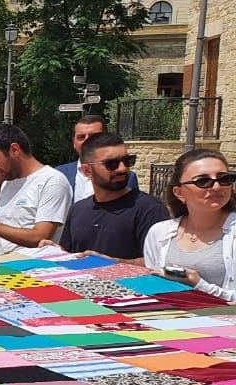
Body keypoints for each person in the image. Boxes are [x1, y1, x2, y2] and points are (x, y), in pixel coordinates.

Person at [50, 132, 166, 262]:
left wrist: (113, 263)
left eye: (128, 161)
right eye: (111, 164)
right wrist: (55, 251)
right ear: (87, 171)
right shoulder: (78, 210)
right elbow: (73, 255)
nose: (122, 169)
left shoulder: (150, 209)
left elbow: (160, 262)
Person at [144, 149, 236, 301]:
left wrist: (199, 284)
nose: (217, 187)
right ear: (179, 192)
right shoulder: (159, 233)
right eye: (203, 181)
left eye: (224, 179)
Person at [0, 124, 72, 255]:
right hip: (0, 267)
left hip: (32, 271)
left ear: (15, 150)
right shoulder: (7, 184)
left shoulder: (52, 181)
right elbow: (11, 231)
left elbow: (40, 237)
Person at [56, 114, 138, 200]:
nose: (86, 141)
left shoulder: (125, 177)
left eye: (94, 137)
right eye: (81, 137)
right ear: (74, 142)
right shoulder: (60, 174)